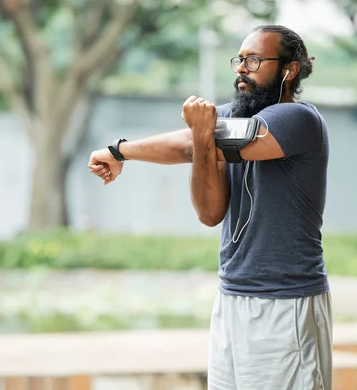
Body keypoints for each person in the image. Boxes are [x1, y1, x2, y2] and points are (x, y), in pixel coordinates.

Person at [88, 24, 332, 390]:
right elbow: (208, 210)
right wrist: (119, 151)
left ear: (288, 69)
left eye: (253, 59)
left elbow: (199, 142)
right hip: (232, 297)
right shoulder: (231, 118)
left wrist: (195, 136)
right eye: (239, 59)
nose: (241, 69)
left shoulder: (300, 120)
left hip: (286, 303)